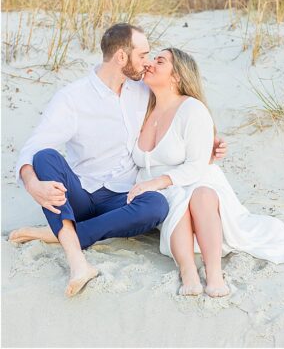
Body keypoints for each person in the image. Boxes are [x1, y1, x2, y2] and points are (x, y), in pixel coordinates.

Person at [9, 23, 225, 297]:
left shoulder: (143, 91)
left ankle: (61, 232)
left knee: (157, 204)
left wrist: (209, 143)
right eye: (143, 55)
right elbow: (34, 146)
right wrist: (32, 184)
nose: (147, 63)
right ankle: (78, 261)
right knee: (45, 157)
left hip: (125, 197)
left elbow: (179, 112)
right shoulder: (72, 99)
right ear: (122, 57)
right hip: (82, 196)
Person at [130, 47, 284, 297]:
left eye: (160, 61)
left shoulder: (192, 109)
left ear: (177, 76)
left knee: (201, 195)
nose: (150, 64)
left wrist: (157, 182)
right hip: (162, 187)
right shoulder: (141, 106)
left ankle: (214, 273)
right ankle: (188, 272)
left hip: (195, 177)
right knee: (177, 203)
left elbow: (197, 166)